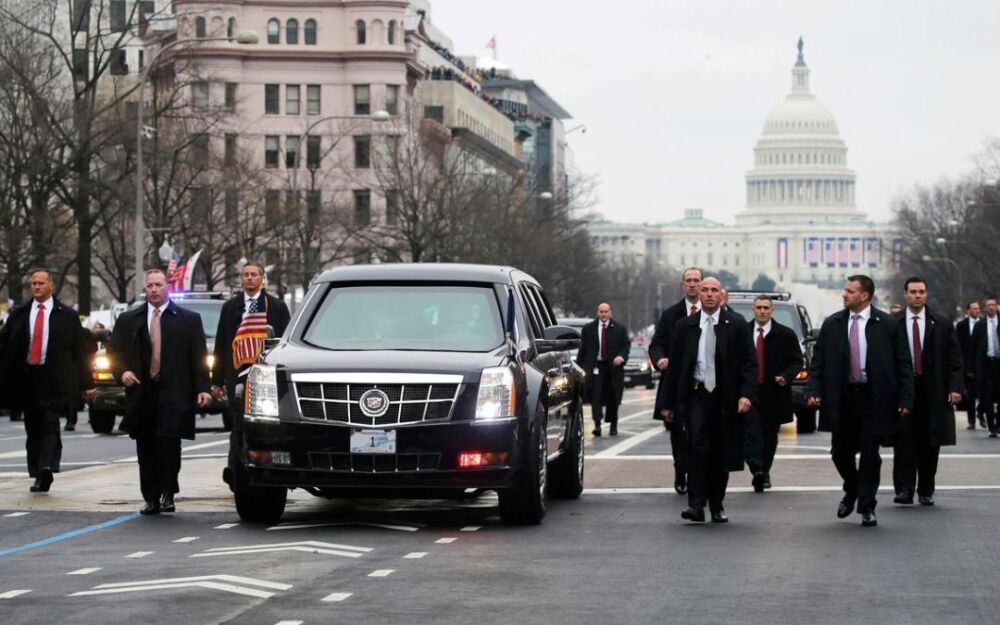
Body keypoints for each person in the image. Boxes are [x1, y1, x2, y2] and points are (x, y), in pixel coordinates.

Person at [807, 275, 913, 527]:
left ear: (864, 295)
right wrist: (814, 389)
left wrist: (906, 398)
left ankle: (867, 505)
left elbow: (903, 364)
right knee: (840, 452)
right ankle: (853, 488)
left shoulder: (886, 324)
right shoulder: (833, 324)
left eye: (850, 291)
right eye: (845, 290)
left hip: (874, 398)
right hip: (842, 397)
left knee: (869, 453)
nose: (844, 294)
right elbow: (818, 362)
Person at [108, 269, 212, 515]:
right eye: (149, 286)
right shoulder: (129, 319)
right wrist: (122, 373)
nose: (154, 290)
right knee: (146, 446)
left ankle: (168, 491)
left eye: (158, 285)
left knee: (168, 445)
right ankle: (151, 497)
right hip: (142, 393)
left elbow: (198, 357)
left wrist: (203, 389)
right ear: (145, 289)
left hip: (175, 392)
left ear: (168, 287)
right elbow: (114, 352)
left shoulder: (187, 319)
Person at [660, 277, 756, 523]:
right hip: (696, 395)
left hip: (726, 397)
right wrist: (667, 404)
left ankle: (717, 504)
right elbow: (675, 368)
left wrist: (746, 394)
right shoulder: (685, 326)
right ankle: (695, 504)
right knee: (696, 448)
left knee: (720, 451)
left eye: (714, 290)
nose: (710, 294)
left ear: (721, 295)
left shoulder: (736, 324)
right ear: (699, 295)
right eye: (705, 290)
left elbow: (748, 364)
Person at [0, 269, 95, 492]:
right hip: (27, 378)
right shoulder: (20, 315)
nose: (36, 287)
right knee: (33, 427)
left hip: (55, 379)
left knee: (50, 423)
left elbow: (79, 352)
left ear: (50, 285)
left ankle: (47, 467)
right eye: (33, 283)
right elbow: (4, 345)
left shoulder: (67, 316)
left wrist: (87, 383)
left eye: (41, 283)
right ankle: (37, 472)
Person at [213, 261, 290, 483]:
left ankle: (256, 469)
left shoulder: (276, 307)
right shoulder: (230, 307)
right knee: (237, 423)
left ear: (262, 278)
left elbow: (285, 344)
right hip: (236, 374)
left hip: (265, 376)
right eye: (245, 274)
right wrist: (217, 380)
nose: (249, 278)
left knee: (260, 425)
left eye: (254, 274)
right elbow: (221, 344)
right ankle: (234, 469)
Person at [892, 277, 963, 506]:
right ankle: (904, 489)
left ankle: (926, 489)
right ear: (905, 294)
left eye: (921, 291)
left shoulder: (941, 323)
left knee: (930, 443)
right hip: (904, 390)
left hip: (933, 389)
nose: (917, 296)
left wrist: (955, 388)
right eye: (913, 292)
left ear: (926, 294)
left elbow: (954, 359)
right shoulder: (893, 323)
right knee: (903, 441)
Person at [650, 267, 702, 494]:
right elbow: (657, 343)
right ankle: (681, 470)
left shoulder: (714, 314)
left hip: (704, 384)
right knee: (679, 432)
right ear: (683, 285)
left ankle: (698, 475)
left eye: (696, 280)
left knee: (701, 433)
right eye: (688, 281)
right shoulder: (671, 314)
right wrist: (660, 359)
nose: (692, 284)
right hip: (677, 383)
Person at [747, 295, 803, 491]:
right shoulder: (743, 333)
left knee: (769, 435)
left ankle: (764, 471)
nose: (762, 311)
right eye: (759, 307)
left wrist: (786, 376)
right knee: (749, 432)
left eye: (766, 308)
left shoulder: (785, 334)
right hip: (749, 391)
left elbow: (797, 361)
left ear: (772, 311)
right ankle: (757, 469)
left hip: (774, 392)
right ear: (753, 310)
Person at [576, 303, 630, 437]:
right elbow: (583, 349)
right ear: (597, 312)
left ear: (610, 312)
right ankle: (597, 425)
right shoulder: (589, 329)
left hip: (613, 368)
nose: (604, 314)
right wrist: (578, 367)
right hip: (595, 367)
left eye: (606, 311)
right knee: (596, 396)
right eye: (601, 311)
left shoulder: (619, 329)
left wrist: (621, 357)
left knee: (613, 396)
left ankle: (613, 425)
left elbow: (626, 346)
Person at [972, 296, 1000, 437]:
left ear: (997, 306)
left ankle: (998, 423)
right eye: (988, 305)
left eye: (993, 305)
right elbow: (974, 348)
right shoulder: (980, 325)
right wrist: (972, 368)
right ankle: (992, 427)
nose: (991, 307)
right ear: (985, 308)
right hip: (986, 365)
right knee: (988, 397)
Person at [956, 300, 985, 430]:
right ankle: (971, 420)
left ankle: (981, 411)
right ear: (968, 311)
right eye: (974, 309)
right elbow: (959, 346)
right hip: (968, 365)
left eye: (978, 308)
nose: (977, 311)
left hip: (983, 365)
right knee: (970, 394)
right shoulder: (961, 326)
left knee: (986, 392)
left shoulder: (985, 324)